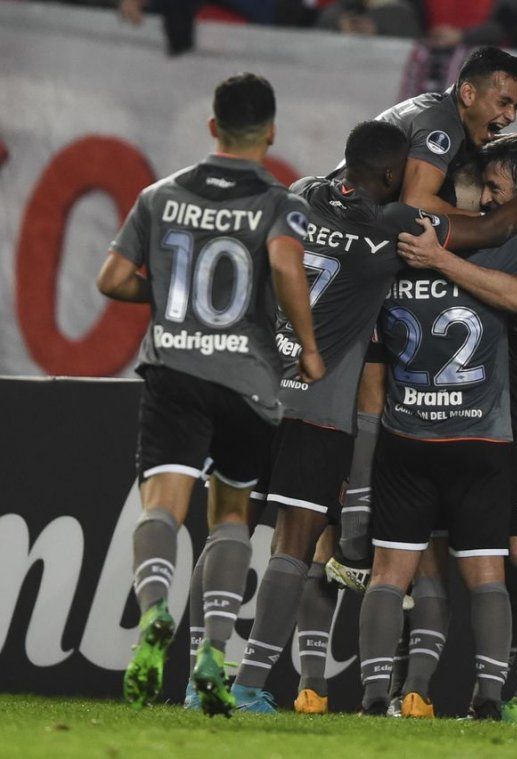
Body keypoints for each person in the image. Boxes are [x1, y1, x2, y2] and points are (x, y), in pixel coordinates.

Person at [223, 121, 517, 715]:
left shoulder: (316, 204)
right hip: (435, 432)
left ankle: (243, 678)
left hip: (299, 404)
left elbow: (367, 374)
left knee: (263, 540)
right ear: (399, 176)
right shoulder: (418, 236)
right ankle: (468, 695)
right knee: (463, 571)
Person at [95, 72, 323, 716]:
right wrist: (308, 346)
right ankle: (213, 654)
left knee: (163, 507)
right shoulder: (279, 203)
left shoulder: (159, 195)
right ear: (270, 132)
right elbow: (285, 265)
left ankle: (155, 611)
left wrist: (172, 294)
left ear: (213, 126)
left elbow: (111, 279)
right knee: (230, 516)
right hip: (248, 382)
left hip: (175, 373)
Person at [357, 152, 517, 720]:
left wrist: (440, 258)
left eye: (499, 189)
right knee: (514, 556)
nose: (492, 203)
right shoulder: (514, 244)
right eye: (487, 189)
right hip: (506, 422)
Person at [375, 45, 517, 216]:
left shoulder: (441, 110)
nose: (512, 116)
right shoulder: (440, 123)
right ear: (468, 94)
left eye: (515, 107)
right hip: (356, 218)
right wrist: (487, 223)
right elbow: (414, 202)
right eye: (503, 103)